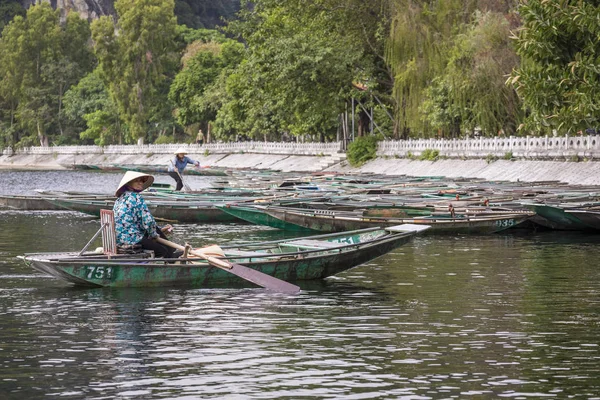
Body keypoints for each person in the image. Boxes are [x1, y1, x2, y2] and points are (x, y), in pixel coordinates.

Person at [113, 171, 176, 258]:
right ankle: (170, 259)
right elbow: (148, 221)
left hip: (119, 238)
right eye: (136, 181)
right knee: (162, 251)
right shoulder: (136, 197)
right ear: (128, 183)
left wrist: (157, 232)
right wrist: (154, 235)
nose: (140, 182)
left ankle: (172, 252)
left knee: (156, 230)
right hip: (131, 238)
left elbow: (138, 222)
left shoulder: (119, 200)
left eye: (142, 180)